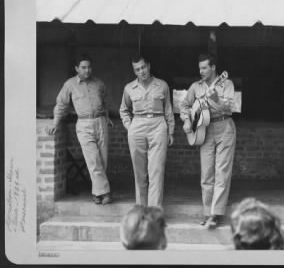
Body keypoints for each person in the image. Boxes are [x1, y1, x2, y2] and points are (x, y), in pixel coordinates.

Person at [180, 31, 236, 229]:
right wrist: (186, 121)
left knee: (222, 172)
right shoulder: (195, 87)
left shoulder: (226, 83)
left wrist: (214, 99)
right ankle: (207, 211)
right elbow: (184, 106)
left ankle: (215, 213)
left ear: (213, 68)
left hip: (224, 127)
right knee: (207, 174)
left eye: (205, 68)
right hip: (204, 130)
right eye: (200, 68)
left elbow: (230, 107)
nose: (201, 71)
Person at [46, 54, 113, 205]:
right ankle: (105, 193)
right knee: (93, 160)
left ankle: (97, 192)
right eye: (83, 67)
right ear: (76, 68)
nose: (87, 70)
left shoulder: (99, 83)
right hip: (83, 124)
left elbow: (105, 101)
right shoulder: (70, 85)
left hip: (101, 122)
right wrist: (55, 123)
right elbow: (61, 105)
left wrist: (107, 116)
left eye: (89, 67)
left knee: (102, 160)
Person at [120, 53, 174, 208]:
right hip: (137, 125)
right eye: (137, 69)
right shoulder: (129, 88)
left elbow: (168, 109)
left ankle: (154, 212)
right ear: (134, 71)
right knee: (140, 173)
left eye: (143, 67)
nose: (141, 71)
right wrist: (129, 127)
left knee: (156, 170)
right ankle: (142, 210)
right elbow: (124, 110)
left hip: (158, 125)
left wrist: (170, 131)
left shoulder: (162, 85)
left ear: (149, 66)